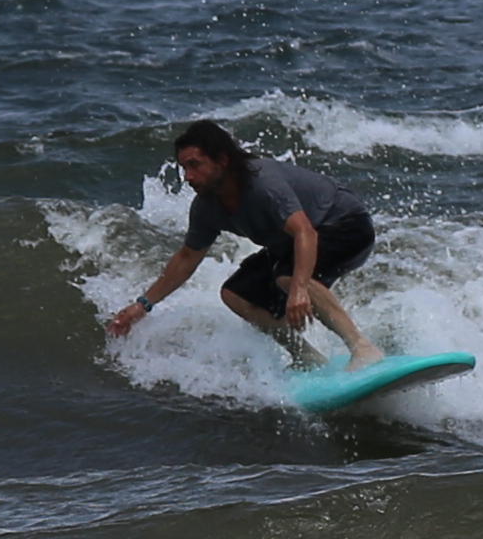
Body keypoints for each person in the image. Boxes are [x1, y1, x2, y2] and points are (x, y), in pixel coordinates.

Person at [102, 119, 385, 371]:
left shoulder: (263, 184)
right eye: (184, 167)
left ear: (222, 160)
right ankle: (308, 358)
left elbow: (305, 233)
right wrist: (142, 306)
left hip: (347, 225)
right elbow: (187, 258)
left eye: (195, 165)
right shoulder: (206, 207)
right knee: (235, 294)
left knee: (289, 277)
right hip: (295, 242)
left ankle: (363, 348)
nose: (187, 176)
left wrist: (299, 289)